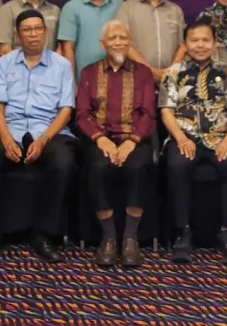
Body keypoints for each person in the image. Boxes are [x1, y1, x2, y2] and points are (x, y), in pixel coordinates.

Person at [0, 9, 78, 266]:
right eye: (27, 30)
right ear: (17, 35)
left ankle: (44, 233)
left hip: (50, 131)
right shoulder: (5, 63)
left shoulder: (61, 65)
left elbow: (66, 110)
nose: (33, 34)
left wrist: (44, 140)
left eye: (38, 29)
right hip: (11, 129)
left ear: (45, 32)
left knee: (63, 164)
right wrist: (5, 139)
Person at [159, 18, 227, 265]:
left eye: (205, 40)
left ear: (215, 43)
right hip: (184, 137)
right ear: (185, 44)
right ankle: (183, 233)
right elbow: (166, 111)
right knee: (177, 165)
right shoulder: (173, 73)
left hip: (220, 138)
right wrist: (180, 138)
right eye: (194, 40)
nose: (200, 45)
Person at [75, 20, 156, 267]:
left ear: (130, 42)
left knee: (137, 167)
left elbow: (148, 114)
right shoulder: (89, 73)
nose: (118, 42)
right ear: (103, 44)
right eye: (113, 38)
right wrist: (101, 140)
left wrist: (131, 142)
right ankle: (108, 237)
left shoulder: (143, 73)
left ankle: (130, 238)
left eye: (123, 38)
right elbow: (82, 114)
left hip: (134, 139)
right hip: (100, 139)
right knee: (98, 167)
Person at [115, 0, 185, 82]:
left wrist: (169, 72)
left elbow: (182, 46)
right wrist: (150, 71)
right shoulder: (126, 8)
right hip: (136, 79)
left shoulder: (175, 10)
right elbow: (124, 45)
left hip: (170, 80)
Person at [58, 0, 123, 78]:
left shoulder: (119, 5)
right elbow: (67, 49)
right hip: (83, 79)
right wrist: (71, 83)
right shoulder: (71, 8)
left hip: (117, 76)